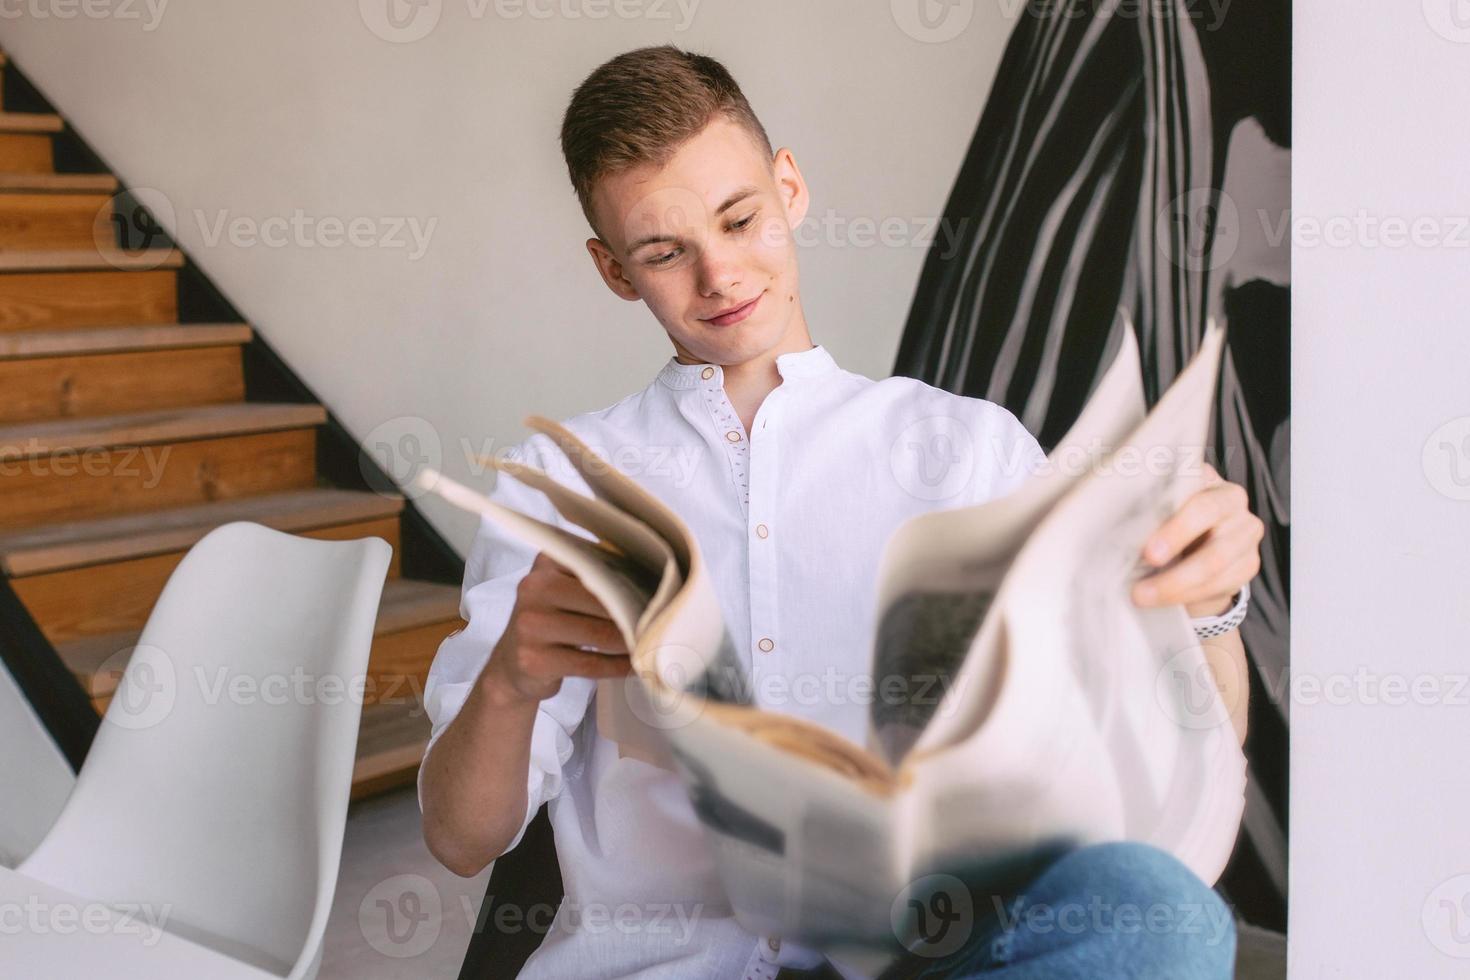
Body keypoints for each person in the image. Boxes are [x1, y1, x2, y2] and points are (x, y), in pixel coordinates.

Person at [418, 44, 1263, 980]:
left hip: (923, 954)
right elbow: (460, 839)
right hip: (667, 968)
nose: (721, 276)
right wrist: (509, 682)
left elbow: (1190, 763)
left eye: (741, 220)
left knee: (1165, 915)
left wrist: (1206, 606)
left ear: (789, 189)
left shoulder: (971, 450)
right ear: (615, 270)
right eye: (664, 253)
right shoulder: (563, 481)